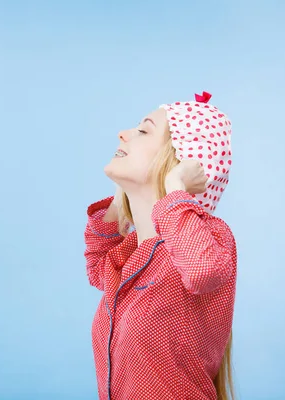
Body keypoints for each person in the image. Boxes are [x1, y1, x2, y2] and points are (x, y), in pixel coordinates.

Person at [84, 92, 236, 400]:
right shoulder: (129, 258)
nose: (123, 134)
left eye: (143, 130)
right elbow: (98, 269)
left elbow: (201, 271)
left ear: (180, 158)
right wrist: (121, 198)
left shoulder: (209, 239)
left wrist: (174, 187)